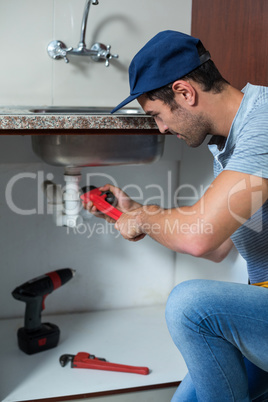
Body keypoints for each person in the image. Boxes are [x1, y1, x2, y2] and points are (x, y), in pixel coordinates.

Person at [83, 31, 268, 401]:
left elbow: (198, 238)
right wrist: (133, 213)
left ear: (185, 92)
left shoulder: (262, 123)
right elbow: (217, 247)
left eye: (157, 115)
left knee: (190, 306)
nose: (162, 129)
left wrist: (145, 217)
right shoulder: (229, 143)